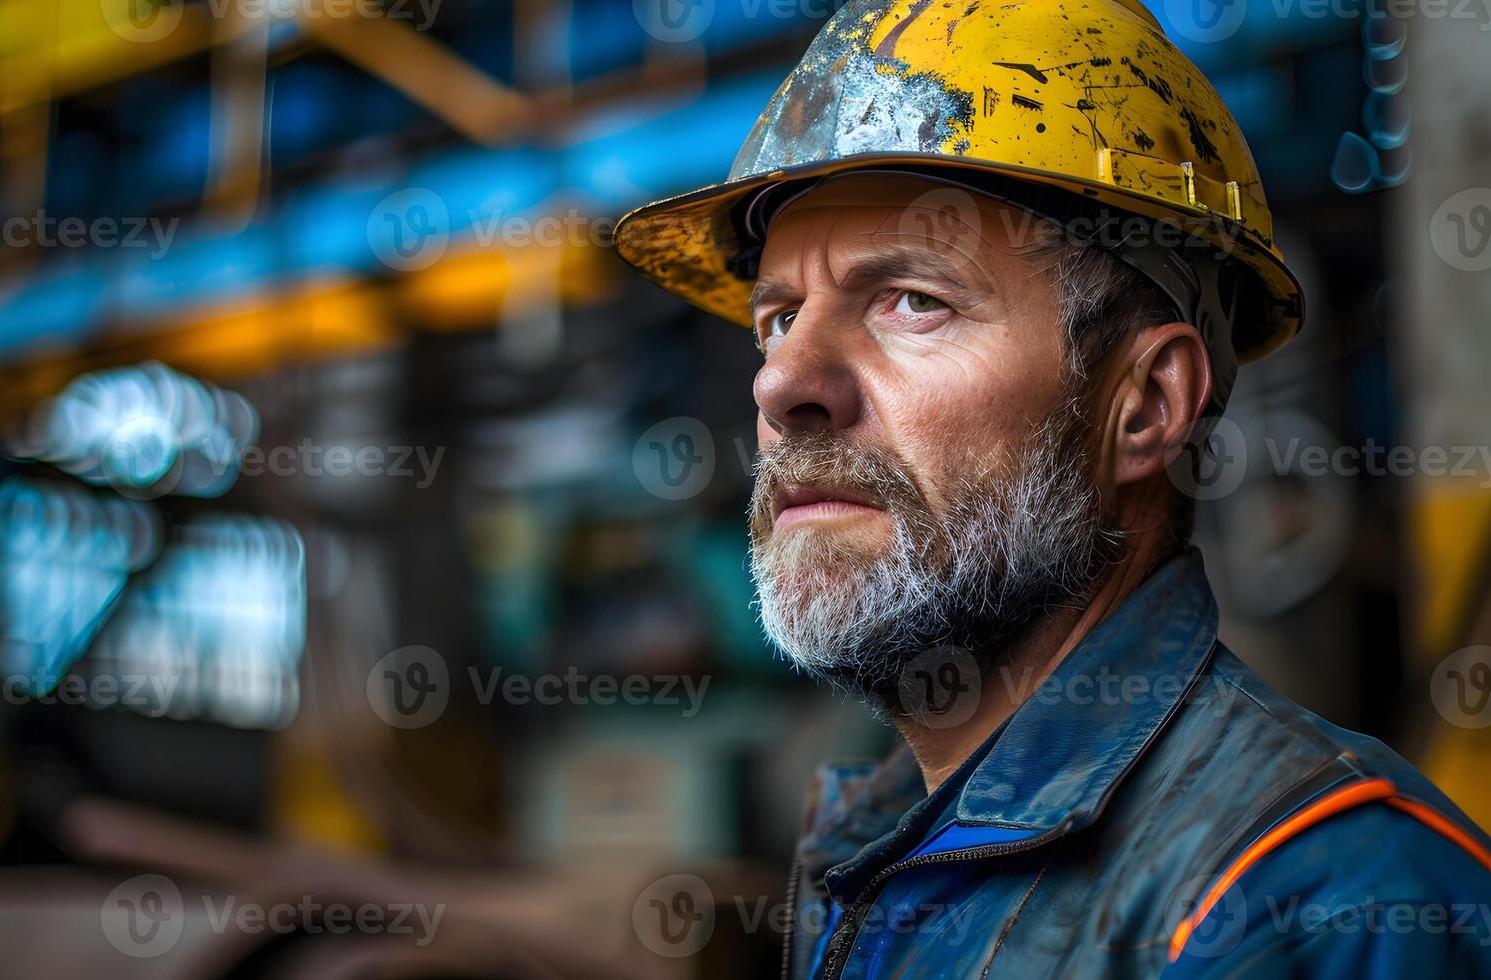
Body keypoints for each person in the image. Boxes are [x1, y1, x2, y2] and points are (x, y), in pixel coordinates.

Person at [614, 0, 1491, 976]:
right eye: (777, 319)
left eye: (912, 301)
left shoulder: (1314, 899)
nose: (783, 385)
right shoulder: (889, 836)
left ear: (1145, 404)